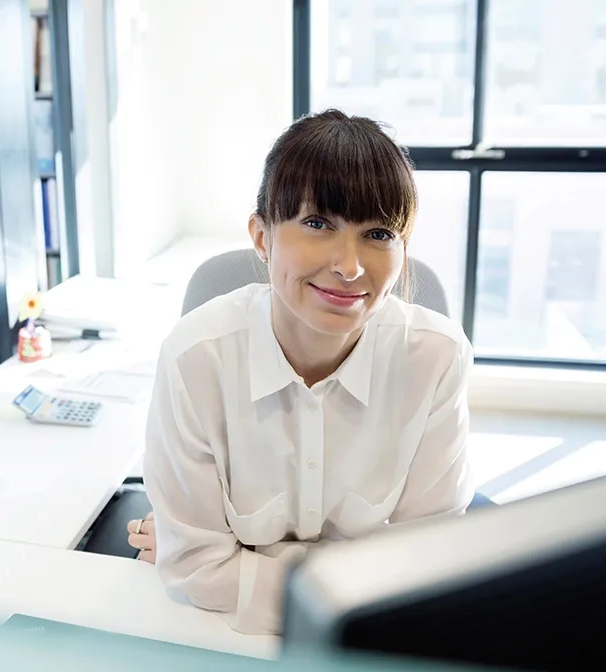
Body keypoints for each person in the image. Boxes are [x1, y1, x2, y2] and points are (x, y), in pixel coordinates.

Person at [128, 109, 474, 635]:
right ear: (263, 238)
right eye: (318, 224)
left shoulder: (435, 358)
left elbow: (423, 567)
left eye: (378, 233)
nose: (350, 266)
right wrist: (354, 572)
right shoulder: (195, 359)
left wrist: (240, 564)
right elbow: (194, 569)